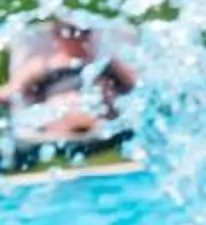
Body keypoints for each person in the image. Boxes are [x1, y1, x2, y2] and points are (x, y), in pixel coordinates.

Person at [5, 15, 139, 161]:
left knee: (89, 101)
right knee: (64, 104)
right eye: (69, 33)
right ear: (56, 37)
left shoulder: (103, 62)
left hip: (101, 118)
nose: (78, 39)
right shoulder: (42, 65)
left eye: (84, 33)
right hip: (57, 119)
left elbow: (136, 86)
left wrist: (113, 65)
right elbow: (11, 91)